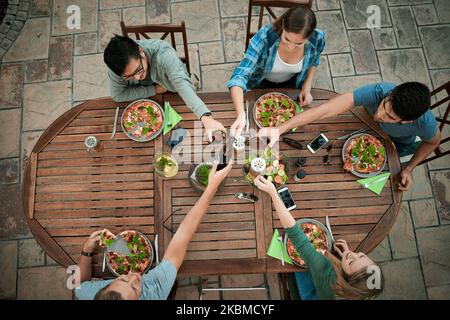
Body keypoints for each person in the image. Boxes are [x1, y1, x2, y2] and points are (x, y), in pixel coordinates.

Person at [74, 160, 233, 300]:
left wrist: (86, 250)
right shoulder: (154, 293)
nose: (135, 276)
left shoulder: (90, 294)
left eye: (122, 280)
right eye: (135, 288)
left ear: (102, 288)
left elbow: (79, 286)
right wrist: (211, 188)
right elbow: (183, 235)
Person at [259, 82, 441, 192]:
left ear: (408, 121)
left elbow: (433, 142)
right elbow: (324, 110)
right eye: (383, 105)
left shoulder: (425, 124)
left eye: (389, 117)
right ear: (390, 94)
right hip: (360, 124)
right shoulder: (380, 90)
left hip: (393, 146)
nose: (379, 115)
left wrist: (409, 168)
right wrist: (280, 129)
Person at [254, 175, 383, 300]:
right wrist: (345, 257)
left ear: (346, 281)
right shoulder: (363, 290)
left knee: (298, 266)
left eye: (351, 262)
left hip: (305, 295)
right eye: (361, 256)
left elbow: (296, 235)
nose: (352, 254)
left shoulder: (324, 271)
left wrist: (273, 193)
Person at [104, 35, 225, 142]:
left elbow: (182, 85)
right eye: (129, 76)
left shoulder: (164, 54)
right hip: (152, 96)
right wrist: (153, 90)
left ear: (141, 52)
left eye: (138, 70)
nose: (137, 78)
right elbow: (118, 95)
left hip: (174, 91)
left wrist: (206, 117)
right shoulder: (118, 68)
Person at [227, 6, 325, 137]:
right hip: (260, 82)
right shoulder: (265, 36)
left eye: (299, 44)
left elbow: (315, 59)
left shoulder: (318, 38)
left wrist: (307, 84)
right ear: (283, 26)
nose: (290, 47)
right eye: (287, 39)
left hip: (293, 84)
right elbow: (239, 76)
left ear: (309, 36)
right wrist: (240, 114)